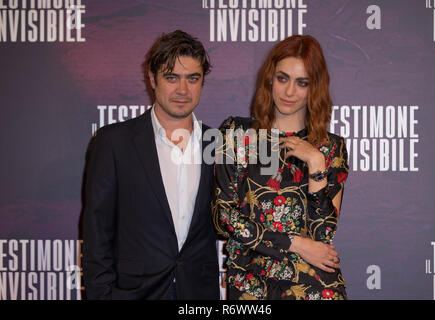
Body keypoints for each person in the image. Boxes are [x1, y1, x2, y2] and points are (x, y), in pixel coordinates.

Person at [82, 30, 220, 300]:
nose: (183, 90)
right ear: (152, 78)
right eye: (172, 78)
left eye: (193, 78)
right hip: (133, 293)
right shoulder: (114, 142)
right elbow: (97, 231)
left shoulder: (217, 144)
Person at [213, 35, 349, 300]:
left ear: (315, 87)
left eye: (302, 83)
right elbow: (224, 218)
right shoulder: (237, 134)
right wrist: (295, 243)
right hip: (251, 284)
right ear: (270, 78)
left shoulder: (331, 148)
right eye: (283, 78)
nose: (289, 92)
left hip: (314, 287)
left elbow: (323, 233)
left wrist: (316, 163)